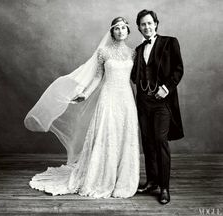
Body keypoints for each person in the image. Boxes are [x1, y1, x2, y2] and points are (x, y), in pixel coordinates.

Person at [24, 17, 140, 198]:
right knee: (106, 135)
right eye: (116, 28)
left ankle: (122, 181)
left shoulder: (133, 54)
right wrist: (84, 94)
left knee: (125, 136)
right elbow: (97, 78)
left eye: (123, 28)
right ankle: (102, 178)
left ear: (128, 31)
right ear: (112, 32)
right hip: (108, 97)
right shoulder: (104, 52)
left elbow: (134, 80)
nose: (120, 31)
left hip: (126, 99)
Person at [131, 9, 184, 204]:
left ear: (156, 24)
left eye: (149, 23)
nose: (146, 27)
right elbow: (131, 75)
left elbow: (179, 69)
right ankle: (152, 181)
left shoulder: (170, 42)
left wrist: (166, 88)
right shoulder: (137, 50)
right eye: (143, 24)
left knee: (160, 140)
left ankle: (164, 188)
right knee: (148, 142)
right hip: (143, 102)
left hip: (162, 102)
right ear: (138, 27)